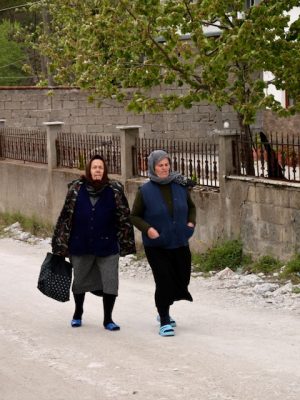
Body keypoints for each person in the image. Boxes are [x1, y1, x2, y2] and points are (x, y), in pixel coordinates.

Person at [51, 154, 136, 331]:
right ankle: (78, 312)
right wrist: (60, 244)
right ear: (89, 170)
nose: (97, 170)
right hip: (80, 244)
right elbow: (66, 216)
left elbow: (124, 216)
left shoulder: (114, 189)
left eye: (101, 167)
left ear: (105, 171)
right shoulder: (76, 188)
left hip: (108, 244)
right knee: (80, 280)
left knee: (110, 281)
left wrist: (125, 243)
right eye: (94, 167)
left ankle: (108, 319)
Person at [130, 150, 196, 337]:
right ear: (153, 167)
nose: (164, 168)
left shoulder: (180, 186)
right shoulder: (145, 191)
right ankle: (164, 318)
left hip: (179, 241)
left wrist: (190, 223)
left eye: (166, 164)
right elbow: (134, 216)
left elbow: (191, 207)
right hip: (156, 245)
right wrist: (148, 229)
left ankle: (165, 306)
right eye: (160, 165)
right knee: (164, 281)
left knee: (182, 279)